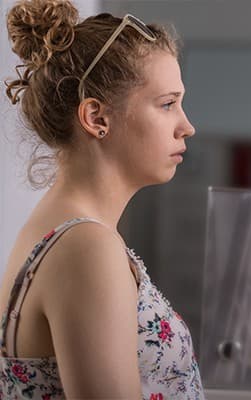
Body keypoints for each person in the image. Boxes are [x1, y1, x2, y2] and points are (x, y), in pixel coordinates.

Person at [0, 1, 203, 398]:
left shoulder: (66, 234)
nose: (187, 126)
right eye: (167, 104)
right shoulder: (86, 249)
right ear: (96, 118)